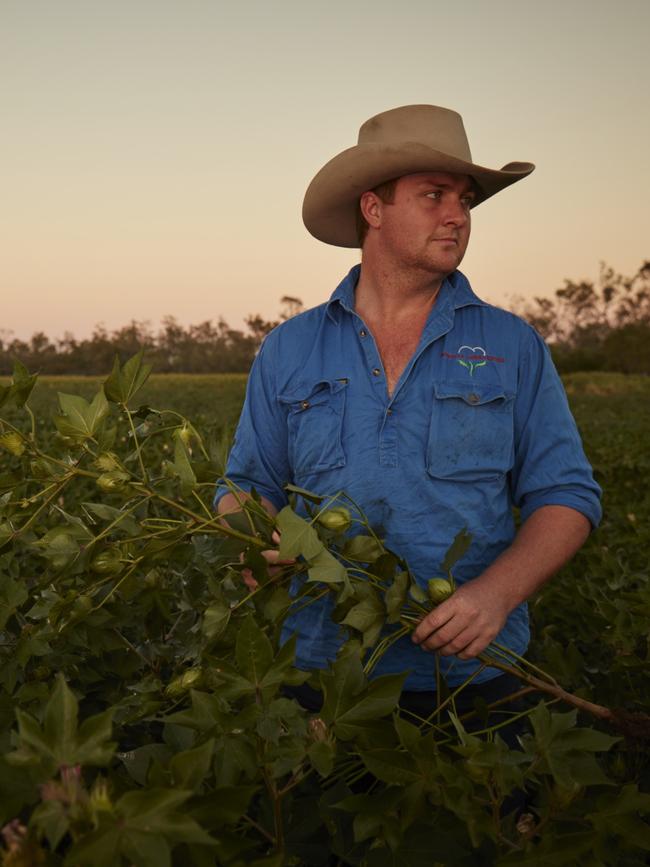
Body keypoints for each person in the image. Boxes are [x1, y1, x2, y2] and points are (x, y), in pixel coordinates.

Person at [215, 104, 601, 715]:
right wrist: (250, 543)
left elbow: (567, 495)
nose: (458, 216)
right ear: (374, 209)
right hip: (322, 676)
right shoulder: (290, 347)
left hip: (477, 677)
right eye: (435, 195)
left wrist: (496, 596)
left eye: (466, 200)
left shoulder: (512, 344)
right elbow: (248, 482)